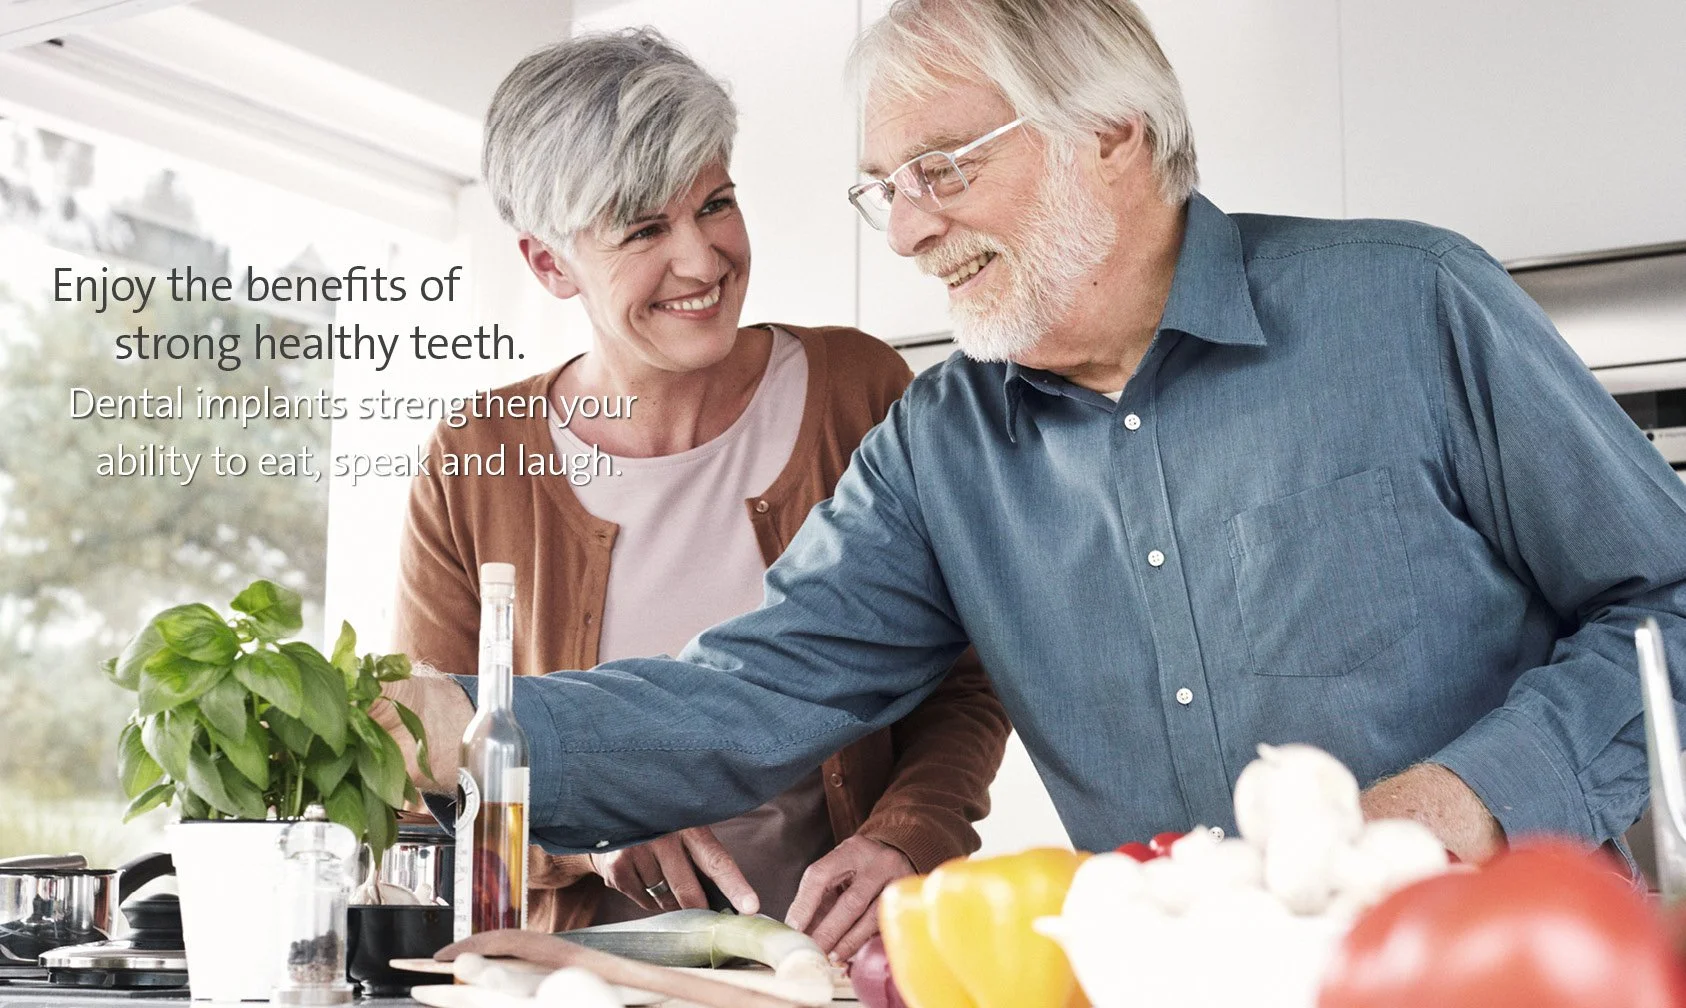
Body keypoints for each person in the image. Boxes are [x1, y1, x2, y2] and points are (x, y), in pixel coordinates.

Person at [381, 0, 1686, 876]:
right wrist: (459, 730)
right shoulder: (937, 445)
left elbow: (1669, 603)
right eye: (881, 189)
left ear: (1111, 133)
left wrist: (1472, 795)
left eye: (940, 170)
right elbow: (751, 695)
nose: (901, 232)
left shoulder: (1406, 304)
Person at [389, 28, 1008, 957]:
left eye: (715, 203)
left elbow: (966, 672)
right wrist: (593, 830)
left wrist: (904, 836)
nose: (703, 258)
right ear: (550, 264)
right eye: (644, 230)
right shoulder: (472, 459)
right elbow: (422, 764)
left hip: (836, 967)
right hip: (579, 974)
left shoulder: (858, 390)